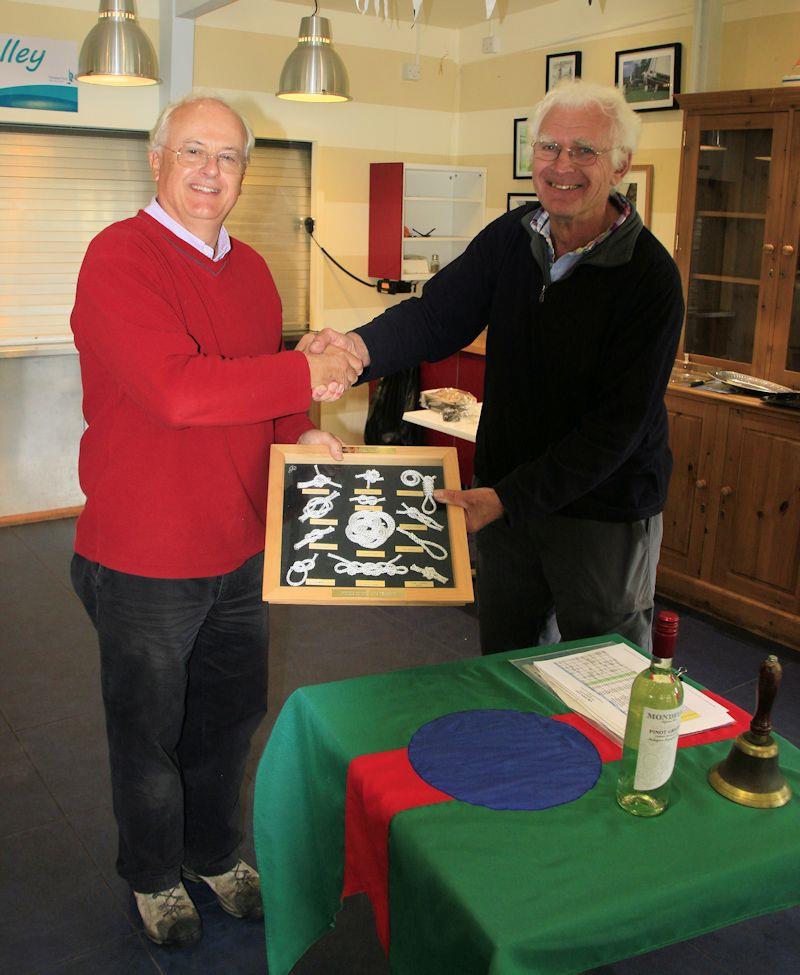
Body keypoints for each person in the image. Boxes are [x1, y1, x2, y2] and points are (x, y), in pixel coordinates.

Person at [69, 95, 362, 948]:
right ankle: (155, 873)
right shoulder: (118, 258)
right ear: (155, 158)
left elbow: (261, 400)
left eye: (228, 156)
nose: (210, 170)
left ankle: (212, 850)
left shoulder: (256, 271)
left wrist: (301, 428)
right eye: (192, 150)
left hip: (240, 547)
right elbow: (178, 390)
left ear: (244, 173)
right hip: (143, 554)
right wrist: (302, 375)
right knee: (149, 733)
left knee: (229, 719)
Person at [303, 80, 684, 655]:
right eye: (549, 147)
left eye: (585, 150)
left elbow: (617, 431)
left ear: (621, 164)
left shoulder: (650, 278)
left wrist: (505, 497)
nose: (563, 166)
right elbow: (437, 315)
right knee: (506, 658)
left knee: (601, 667)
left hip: (601, 512)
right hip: (508, 502)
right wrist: (356, 348)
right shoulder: (514, 237)